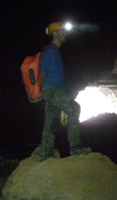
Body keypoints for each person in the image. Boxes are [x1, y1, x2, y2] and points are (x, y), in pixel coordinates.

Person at [39, 22, 92, 161]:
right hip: (52, 90)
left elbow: (56, 76)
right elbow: (44, 73)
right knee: (74, 108)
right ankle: (76, 148)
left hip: (53, 91)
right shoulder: (50, 51)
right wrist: (49, 91)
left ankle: (45, 155)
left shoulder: (54, 52)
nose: (65, 34)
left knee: (51, 124)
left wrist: (62, 94)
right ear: (55, 34)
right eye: (62, 31)